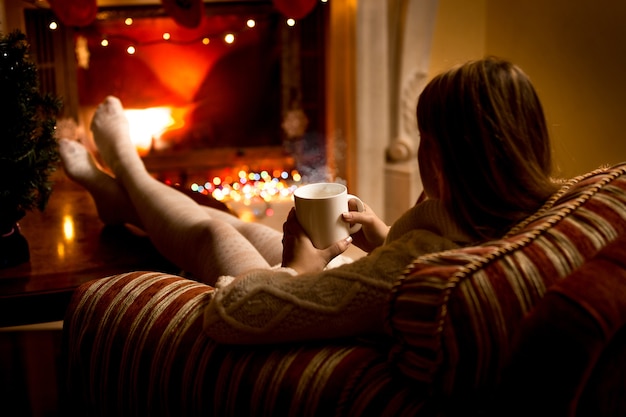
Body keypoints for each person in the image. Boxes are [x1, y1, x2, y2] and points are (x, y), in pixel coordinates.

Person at [59, 57, 559, 344]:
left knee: (215, 231)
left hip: (331, 310)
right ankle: (119, 201)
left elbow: (232, 311)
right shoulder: (536, 209)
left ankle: (126, 169)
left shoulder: (407, 272)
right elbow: (423, 255)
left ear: (443, 158)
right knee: (250, 229)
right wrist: (385, 235)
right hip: (367, 281)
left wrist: (298, 268)